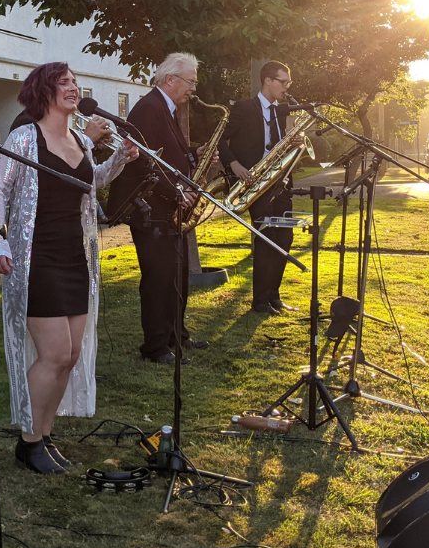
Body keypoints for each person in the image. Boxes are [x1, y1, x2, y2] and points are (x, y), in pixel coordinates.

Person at [0, 63, 136, 474]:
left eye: (75, 81)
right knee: (53, 354)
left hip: (76, 256)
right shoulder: (24, 137)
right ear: (44, 91)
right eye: (64, 82)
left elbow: (91, 183)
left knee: (70, 355)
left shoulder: (79, 140)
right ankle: (29, 441)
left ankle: (45, 435)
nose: (73, 87)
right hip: (38, 258)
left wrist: (120, 159)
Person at [106, 53, 207, 364]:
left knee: (177, 275)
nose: (194, 88)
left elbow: (166, 154)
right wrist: (175, 191)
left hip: (166, 207)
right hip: (151, 210)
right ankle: (156, 347)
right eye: (191, 81)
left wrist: (194, 153)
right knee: (159, 278)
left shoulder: (166, 107)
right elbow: (141, 162)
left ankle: (177, 335)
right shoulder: (149, 108)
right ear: (170, 80)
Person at [218, 60, 297, 315]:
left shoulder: (279, 111)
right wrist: (234, 165)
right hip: (253, 182)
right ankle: (260, 302)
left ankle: (273, 296)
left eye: (288, 83)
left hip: (279, 182)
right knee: (266, 238)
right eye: (283, 82)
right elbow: (219, 139)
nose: (286, 87)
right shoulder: (244, 108)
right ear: (268, 81)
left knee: (285, 236)